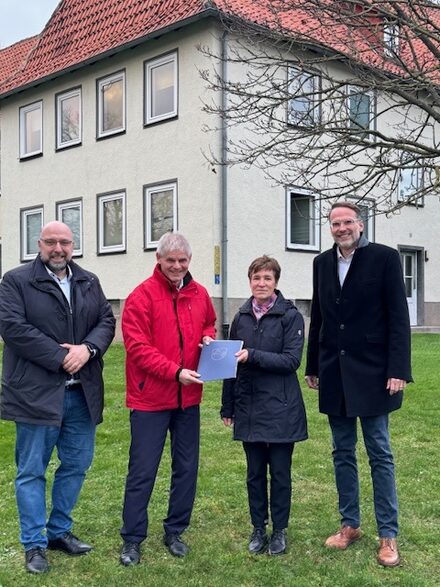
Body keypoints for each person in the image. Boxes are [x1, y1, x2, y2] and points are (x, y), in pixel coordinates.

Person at [0, 221, 115, 574]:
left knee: (77, 465)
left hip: (81, 393)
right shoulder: (15, 281)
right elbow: (13, 328)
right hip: (35, 393)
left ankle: (59, 531)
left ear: (73, 245)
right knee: (32, 471)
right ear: (39, 243)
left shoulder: (88, 280)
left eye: (64, 242)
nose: (58, 249)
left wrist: (89, 349)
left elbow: (106, 321)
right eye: (51, 242)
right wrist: (61, 356)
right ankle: (34, 544)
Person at [305, 201, 412, 567]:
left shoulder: (383, 258)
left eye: (348, 221)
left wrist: (398, 369)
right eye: (335, 223)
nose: (341, 228)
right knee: (342, 452)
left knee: (379, 453)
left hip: (374, 374)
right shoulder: (321, 263)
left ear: (361, 225)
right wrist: (313, 365)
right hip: (335, 372)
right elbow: (317, 317)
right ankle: (350, 524)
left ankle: (388, 534)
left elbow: (398, 318)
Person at [119, 231, 216, 566]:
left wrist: (207, 338)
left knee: (186, 469)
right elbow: (137, 348)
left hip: (188, 399)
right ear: (158, 259)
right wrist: (175, 372)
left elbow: (210, 325)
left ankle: (175, 530)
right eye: (170, 260)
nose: (177, 266)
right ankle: (132, 538)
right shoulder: (140, 297)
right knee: (143, 470)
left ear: (189, 261)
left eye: (182, 260)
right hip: (150, 400)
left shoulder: (200, 293)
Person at [221, 256, 307, 556]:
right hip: (249, 406)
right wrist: (227, 406)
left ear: (276, 282)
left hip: (282, 407)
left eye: (267, 278)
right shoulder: (241, 316)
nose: (261, 284)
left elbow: (291, 361)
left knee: (280, 473)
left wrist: (253, 355)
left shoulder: (291, 317)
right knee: (254, 473)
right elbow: (230, 364)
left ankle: (279, 530)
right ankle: (259, 527)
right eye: (256, 278)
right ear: (249, 281)